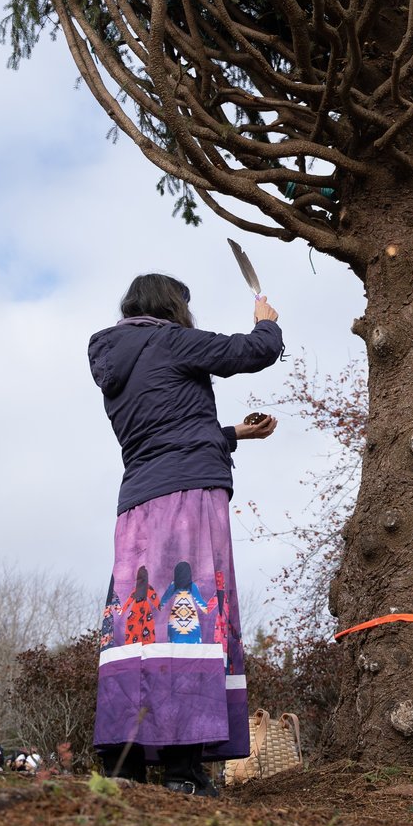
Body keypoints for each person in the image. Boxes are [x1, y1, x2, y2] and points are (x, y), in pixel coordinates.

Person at [89, 273, 282, 797]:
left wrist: (233, 434)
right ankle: (182, 770)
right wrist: (266, 322)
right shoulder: (170, 339)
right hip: (189, 496)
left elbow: (160, 431)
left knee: (136, 627)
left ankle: (124, 764)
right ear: (172, 305)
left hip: (137, 505)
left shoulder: (115, 356)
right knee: (189, 618)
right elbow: (253, 352)